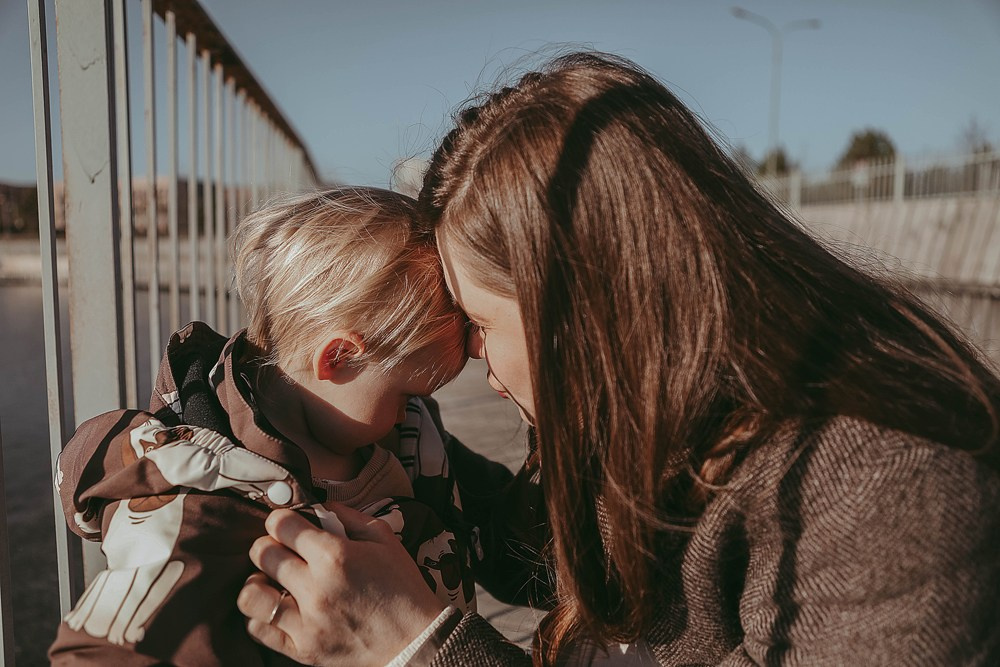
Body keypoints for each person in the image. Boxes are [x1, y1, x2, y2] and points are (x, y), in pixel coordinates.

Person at [237, 52, 1000, 666]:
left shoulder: (884, 488)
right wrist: (323, 425)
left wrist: (417, 647)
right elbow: (521, 538)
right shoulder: (650, 415)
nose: (476, 363)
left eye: (478, 322)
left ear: (586, 311)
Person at [48, 187, 477, 666]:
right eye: (407, 396)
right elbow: (121, 645)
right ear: (338, 357)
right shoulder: (202, 496)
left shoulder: (408, 439)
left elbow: (505, 514)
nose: (410, 414)